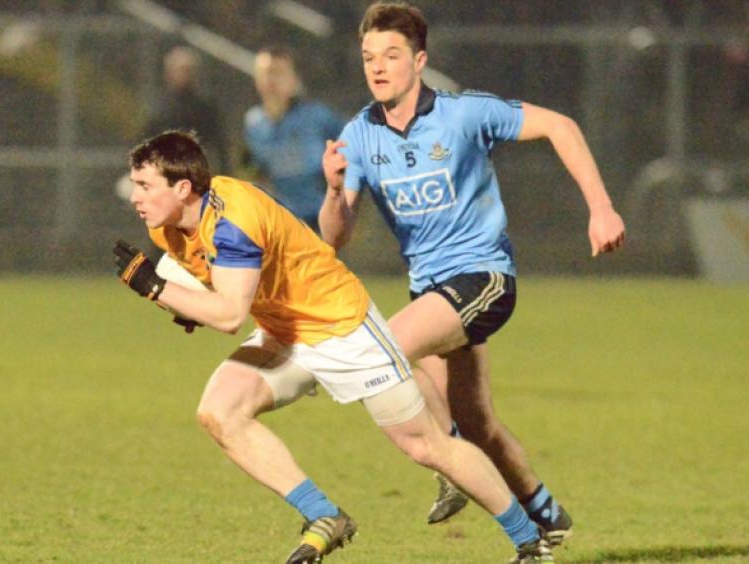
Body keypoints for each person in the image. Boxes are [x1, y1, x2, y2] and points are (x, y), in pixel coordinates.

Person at [114, 130, 554, 563]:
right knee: (219, 413)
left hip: (343, 329)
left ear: (183, 187)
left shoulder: (233, 222)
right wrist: (187, 305)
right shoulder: (168, 226)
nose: (135, 196)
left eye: (145, 186)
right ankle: (325, 516)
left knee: (426, 447)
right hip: (283, 331)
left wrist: (154, 288)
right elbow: (217, 285)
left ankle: (531, 542)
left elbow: (229, 316)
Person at [319, 0, 626, 547]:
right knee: (476, 422)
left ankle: (452, 469)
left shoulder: (464, 113)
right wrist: (332, 186)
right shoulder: (360, 134)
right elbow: (335, 237)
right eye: (369, 56)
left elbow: (561, 126)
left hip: (484, 278)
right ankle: (545, 514)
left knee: (380, 348)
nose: (378, 66)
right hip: (431, 289)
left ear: (419, 60)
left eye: (391, 54)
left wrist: (600, 208)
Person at [243, 46, 345, 231]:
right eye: (265, 74)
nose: (271, 81)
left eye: (278, 73)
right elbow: (254, 170)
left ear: (294, 79)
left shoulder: (317, 117)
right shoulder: (254, 123)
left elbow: (352, 147)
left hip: (317, 220)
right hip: (279, 223)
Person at [144, 46, 231, 175]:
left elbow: (218, 145)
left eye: (189, 70)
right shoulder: (159, 110)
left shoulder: (206, 109)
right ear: (168, 73)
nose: (184, 75)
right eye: (180, 70)